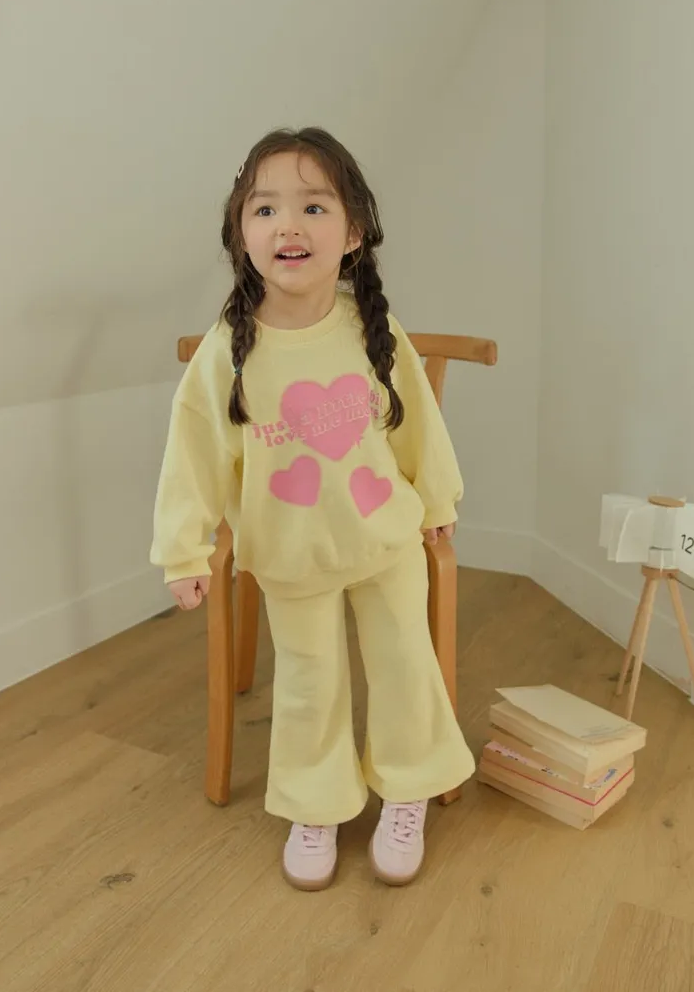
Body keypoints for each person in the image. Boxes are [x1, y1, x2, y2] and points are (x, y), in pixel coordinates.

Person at [150, 126, 475, 891]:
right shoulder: (227, 352)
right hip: (291, 556)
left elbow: (420, 426)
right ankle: (316, 802)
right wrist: (183, 550)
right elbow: (192, 456)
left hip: (384, 541)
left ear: (353, 232)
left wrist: (436, 498)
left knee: (405, 665)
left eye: (313, 206)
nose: (287, 225)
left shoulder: (372, 332)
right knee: (308, 683)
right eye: (265, 208)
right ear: (241, 232)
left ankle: (407, 787)